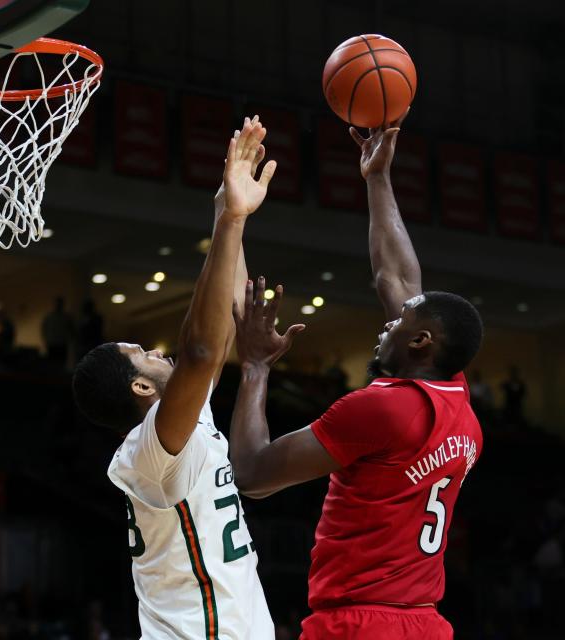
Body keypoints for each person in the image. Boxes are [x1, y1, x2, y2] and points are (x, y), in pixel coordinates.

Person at [228, 113, 484, 640]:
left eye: (399, 322)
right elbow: (397, 277)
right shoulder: (456, 397)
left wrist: (254, 367)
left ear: (420, 343)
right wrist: (378, 179)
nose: (387, 321)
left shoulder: (382, 410)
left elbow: (252, 475)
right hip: (425, 624)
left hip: (360, 622)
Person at [72, 116, 277, 639]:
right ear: (141, 388)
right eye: (143, 354)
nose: (158, 352)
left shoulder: (183, 421)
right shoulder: (151, 450)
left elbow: (227, 322)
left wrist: (227, 213)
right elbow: (202, 350)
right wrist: (229, 219)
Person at [41, 297, 73, 367]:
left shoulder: (66, 317)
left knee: (60, 364)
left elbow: (71, 330)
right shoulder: (50, 317)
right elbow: (44, 330)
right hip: (53, 344)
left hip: (61, 344)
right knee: (53, 365)